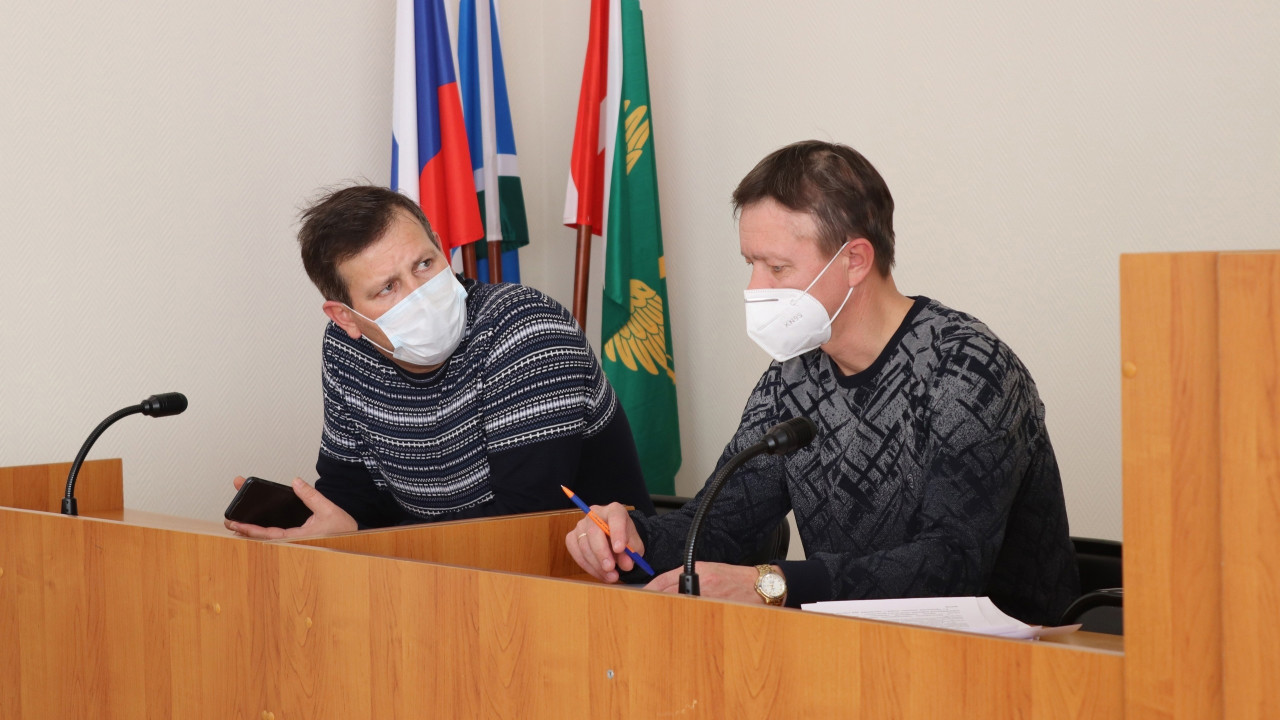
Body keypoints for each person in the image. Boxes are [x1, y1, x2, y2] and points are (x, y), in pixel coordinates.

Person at [565, 141, 1078, 625]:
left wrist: (772, 584)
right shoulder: (794, 375)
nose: (754, 288)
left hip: (1019, 664)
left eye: (777, 267)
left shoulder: (969, 368)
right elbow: (721, 526)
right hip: (850, 652)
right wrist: (630, 536)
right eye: (750, 264)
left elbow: (951, 566)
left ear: (854, 261)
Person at [226, 185, 654, 539]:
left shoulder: (526, 328)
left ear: (439, 246)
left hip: (592, 584)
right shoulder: (346, 349)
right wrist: (315, 527)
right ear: (346, 318)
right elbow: (351, 491)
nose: (419, 294)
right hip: (441, 581)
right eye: (387, 288)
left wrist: (360, 538)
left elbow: (522, 526)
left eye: (424, 264)